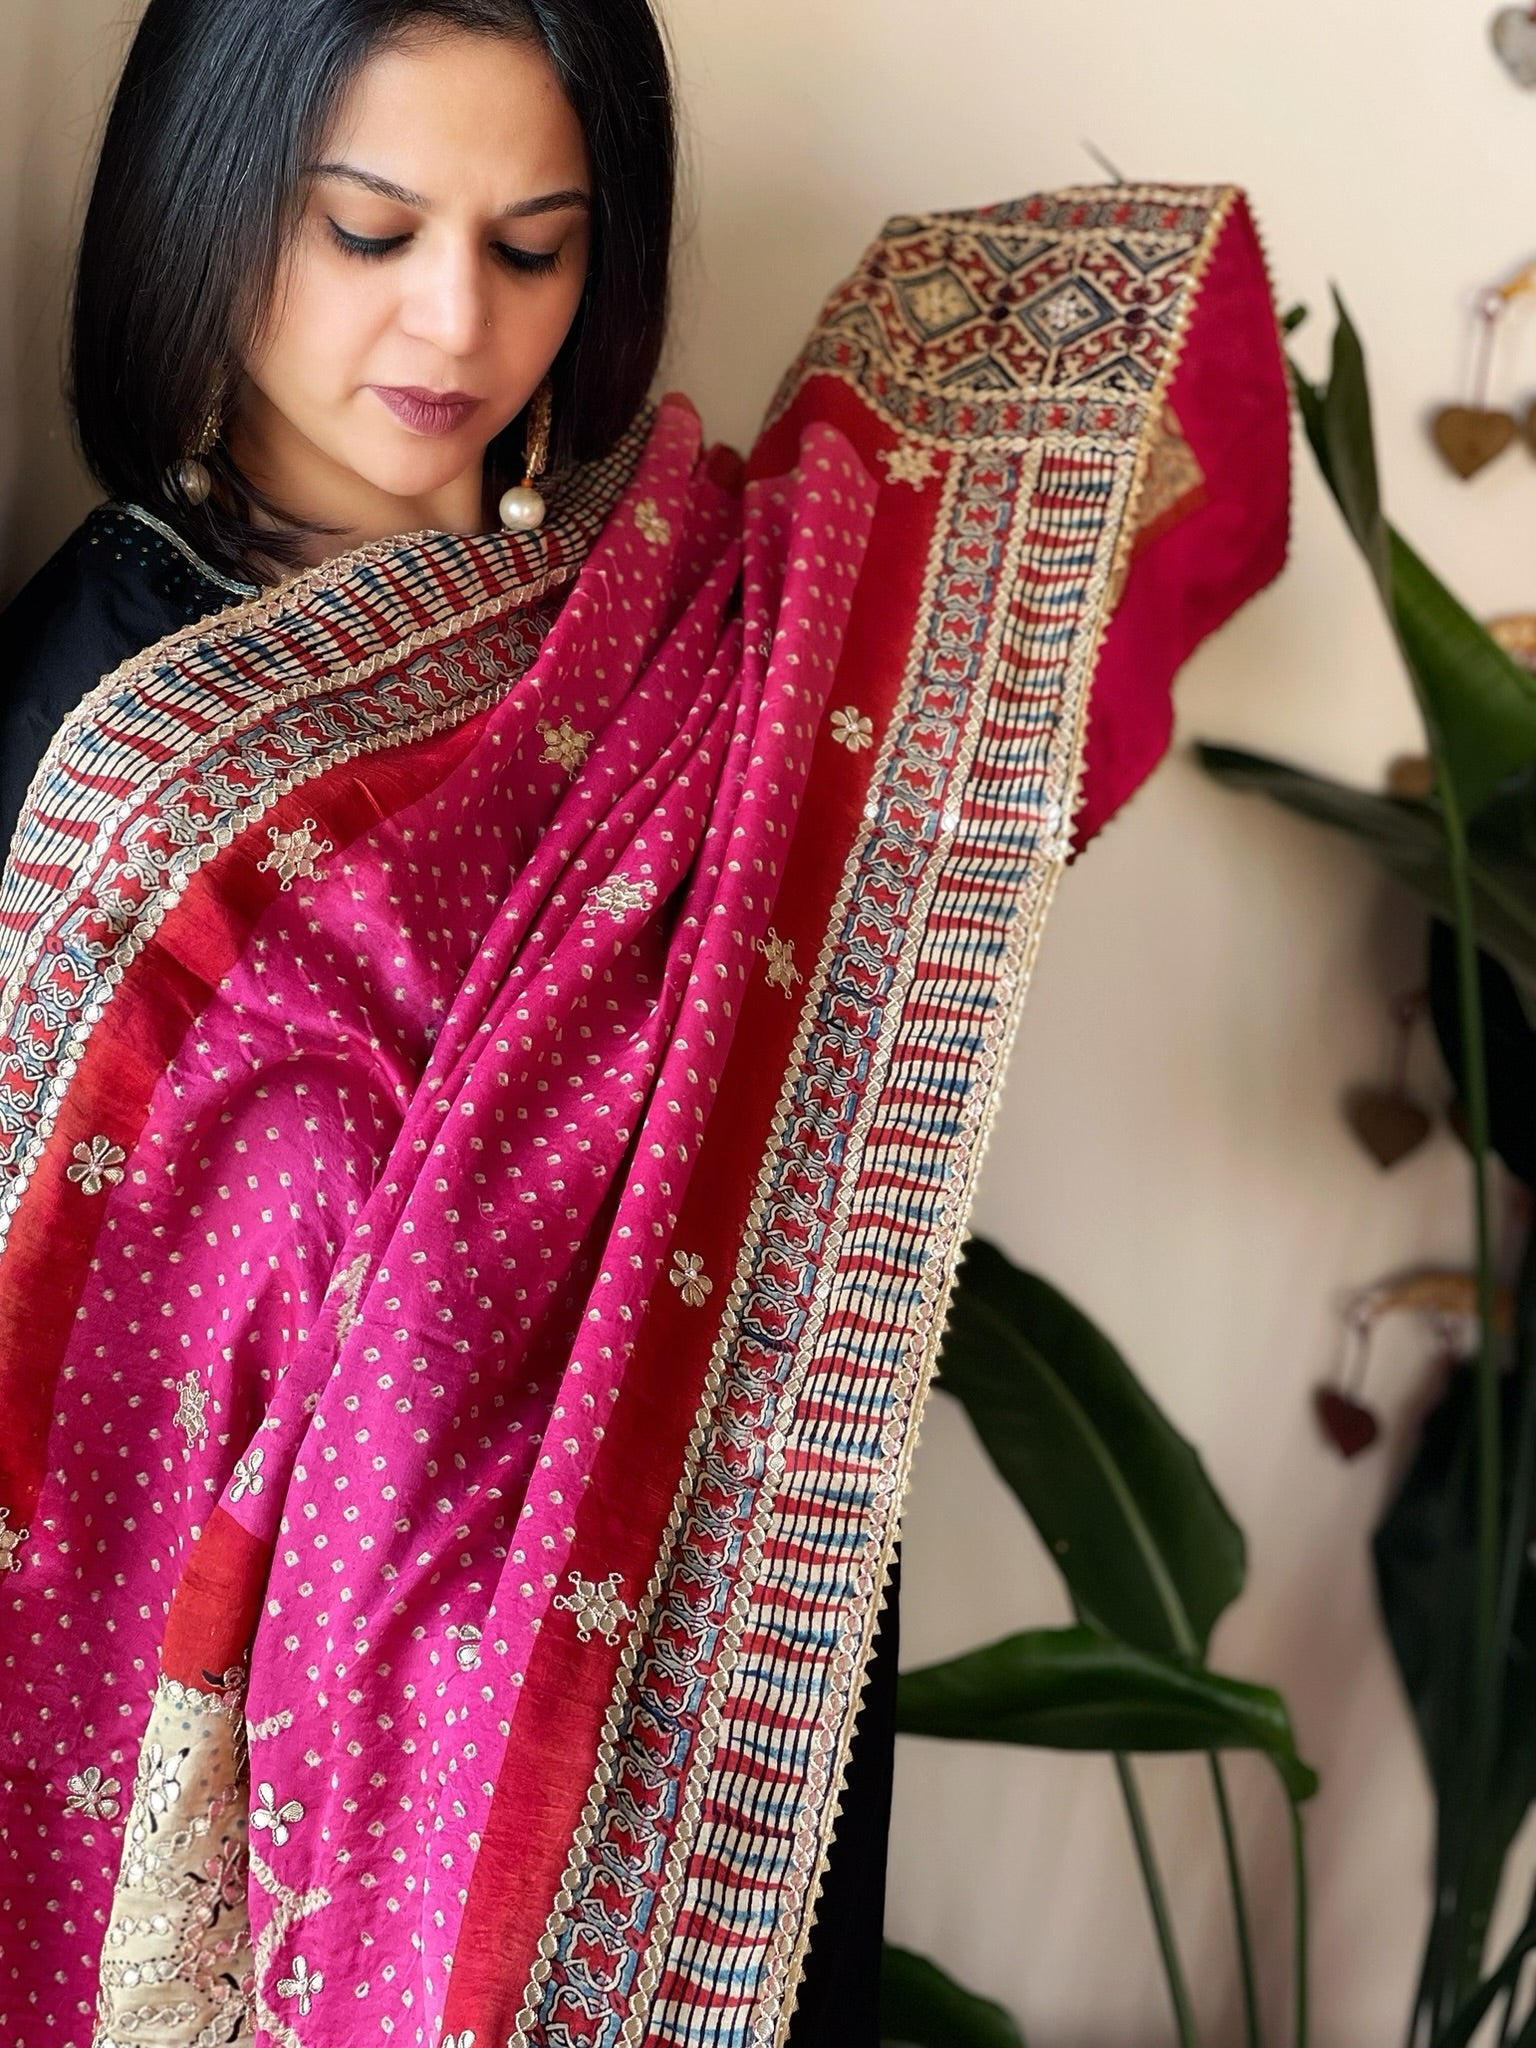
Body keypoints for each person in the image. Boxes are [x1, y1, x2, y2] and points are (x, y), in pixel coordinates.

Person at [0, 2, 1292, 2042]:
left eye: (535, 246)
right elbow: (70, 1391)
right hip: (303, 1825)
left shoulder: (710, 610)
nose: (458, 322)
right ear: (205, 202)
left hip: (710, 1647)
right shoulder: (106, 751)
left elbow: (1146, 428)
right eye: (368, 230)